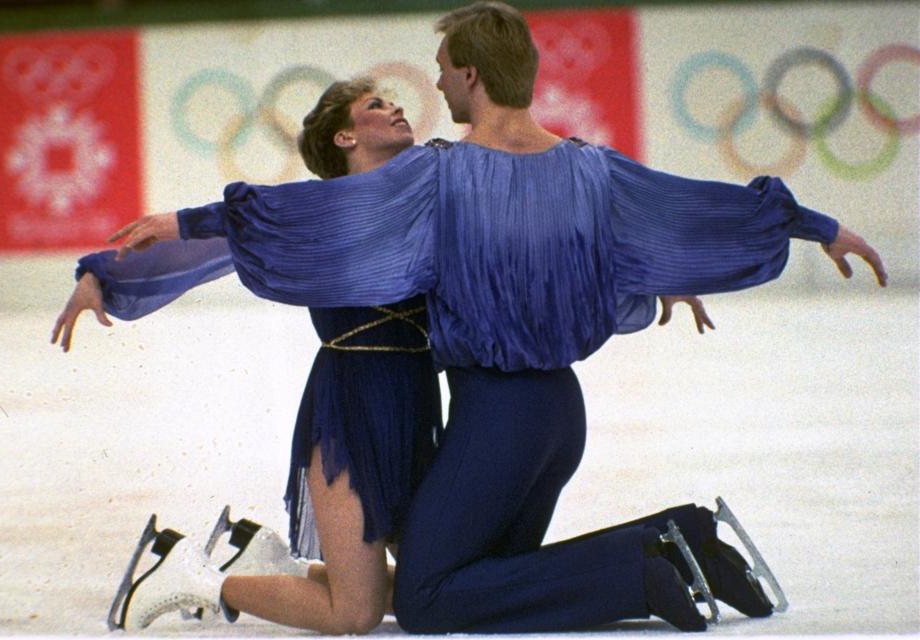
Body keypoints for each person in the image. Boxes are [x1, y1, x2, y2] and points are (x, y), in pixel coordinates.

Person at [92, 1, 887, 633]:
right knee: (475, 584)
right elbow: (691, 211)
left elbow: (304, 219)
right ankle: (688, 540)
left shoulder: (437, 178)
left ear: (470, 74)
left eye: (441, 72)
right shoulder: (591, 168)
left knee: (434, 601)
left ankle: (642, 565)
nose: (433, 88)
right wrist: (810, 225)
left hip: (491, 416)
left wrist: (190, 221)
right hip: (558, 415)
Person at [54, 78, 446, 634]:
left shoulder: (422, 193)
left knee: (437, 592)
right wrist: (102, 274)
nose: (396, 106)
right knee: (352, 614)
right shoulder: (312, 213)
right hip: (351, 406)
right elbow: (220, 237)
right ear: (344, 137)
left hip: (416, 401)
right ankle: (193, 578)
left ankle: (272, 567)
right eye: (375, 106)